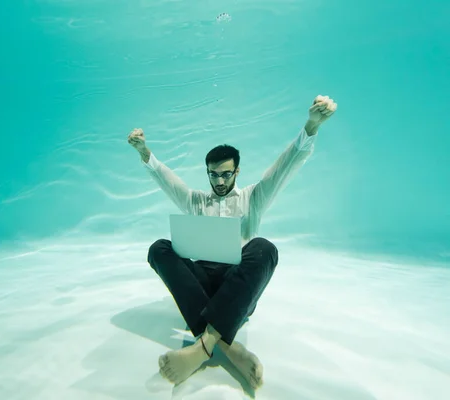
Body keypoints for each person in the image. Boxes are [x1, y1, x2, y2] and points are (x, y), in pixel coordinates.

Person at [127, 95, 337, 389]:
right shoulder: (196, 201)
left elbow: (284, 168)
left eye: (226, 174)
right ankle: (228, 347)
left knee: (264, 248)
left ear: (237, 171)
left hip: (237, 283)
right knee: (159, 249)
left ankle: (202, 347)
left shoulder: (253, 197)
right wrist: (144, 152)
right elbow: (167, 180)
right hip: (201, 281)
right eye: (213, 175)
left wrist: (311, 126)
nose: (220, 181)